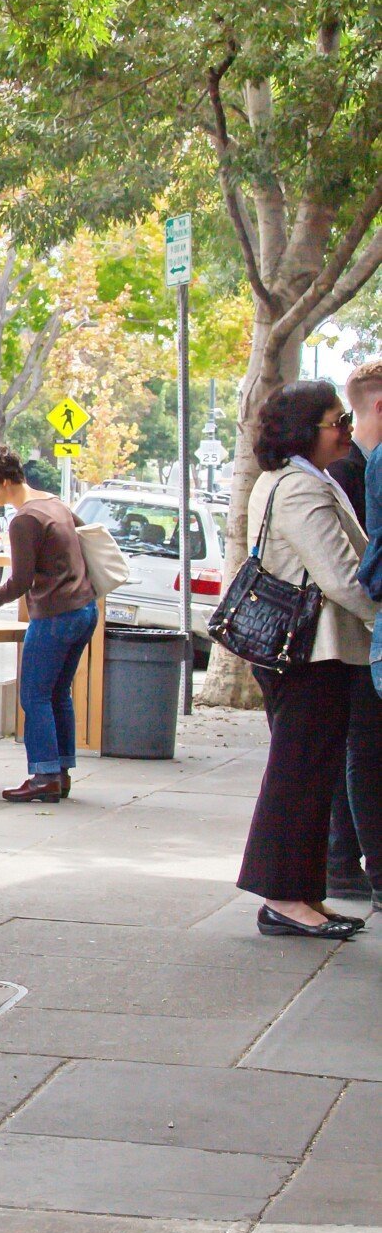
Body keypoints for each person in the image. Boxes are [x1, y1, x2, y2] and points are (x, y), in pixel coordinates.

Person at [226, 380, 372, 938]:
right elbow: (340, 577)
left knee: (311, 771)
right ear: (305, 431)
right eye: (336, 421)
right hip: (311, 652)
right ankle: (285, 897)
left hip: (310, 652)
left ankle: (300, 894)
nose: (345, 430)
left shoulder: (295, 480)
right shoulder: (299, 489)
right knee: (300, 772)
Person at [0, 445, 97, 803]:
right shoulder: (55, 503)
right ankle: (59, 772)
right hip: (84, 609)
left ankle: (44, 776)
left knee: (34, 695)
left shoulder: (24, 519)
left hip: (55, 614)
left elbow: (20, 581)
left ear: (0, 481)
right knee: (58, 693)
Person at [328, 360, 382, 908]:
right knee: (361, 750)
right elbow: (353, 569)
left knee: (360, 748)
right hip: (353, 633)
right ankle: (343, 861)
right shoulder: (351, 473)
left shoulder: (355, 468)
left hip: (361, 632)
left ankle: (343, 860)